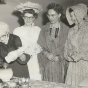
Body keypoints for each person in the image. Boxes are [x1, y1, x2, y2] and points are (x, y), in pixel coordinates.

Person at [38, 3, 69, 83]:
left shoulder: (66, 29)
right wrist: (47, 54)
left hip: (60, 64)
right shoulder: (44, 29)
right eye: (48, 15)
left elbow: (68, 47)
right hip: (47, 64)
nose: (50, 18)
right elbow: (40, 46)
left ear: (59, 15)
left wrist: (60, 57)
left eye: (53, 15)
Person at [13, 1, 42, 80]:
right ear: (23, 17)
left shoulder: (38, 29)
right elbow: (15, 47)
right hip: (24, 59)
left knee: (37, 80)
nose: (28, 19)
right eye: (26, 17)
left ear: (34, 18)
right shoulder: (17, 30)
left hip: (37, 60)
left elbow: (42, 44)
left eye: (30, 17)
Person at [64, 3, 88, 86]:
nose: (72, 18)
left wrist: (81, 56)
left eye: (74, 15)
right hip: (73, 67)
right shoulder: (71, 30)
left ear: (81, 14)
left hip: (86, 67)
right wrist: (70, 53)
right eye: (71, 16)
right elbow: (67, 48)